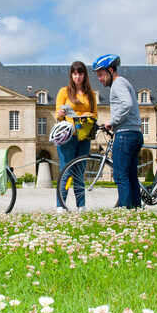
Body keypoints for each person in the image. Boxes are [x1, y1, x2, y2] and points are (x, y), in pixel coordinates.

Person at [92, 54, 143, 209]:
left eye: (101, 75)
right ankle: (136, 209)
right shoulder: (123, 82)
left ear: (111, 70)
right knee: (131, 175)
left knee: (121, 175)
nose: (99, 79)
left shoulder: (118, 84)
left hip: (125, 135)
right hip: (135, 133)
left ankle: (126, 212)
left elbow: (126, 104)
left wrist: (112, 122)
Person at [53, 60, 97, 211]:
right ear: (71, 75)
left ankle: (81, 206)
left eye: (80, 73)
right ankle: (61, 206)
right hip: (68, 136)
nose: (77, 77)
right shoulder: (64, 92)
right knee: (66, 171)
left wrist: (88, 114)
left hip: (84, 136)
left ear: (84, 75)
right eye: (75, 73)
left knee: (79, 172)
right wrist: (59, 114)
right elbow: (58, 116)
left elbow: (95, 114)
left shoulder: (90, 94)